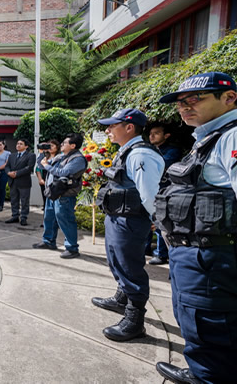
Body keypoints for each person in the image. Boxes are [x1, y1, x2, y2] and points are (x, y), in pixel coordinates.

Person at [153, 72, 237, 384]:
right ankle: (202, 373)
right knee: (197, 324)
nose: (184, 107)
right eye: (181, 103)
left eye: (195, 99)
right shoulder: (210, 137)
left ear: (229, 98)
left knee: (212, 329)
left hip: (213, 256)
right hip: (196, 255)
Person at [91, 109, 165, 342]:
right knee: (117, 261)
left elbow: (150, 194)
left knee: (130, 267)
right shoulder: (128, 151)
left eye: (112, 126)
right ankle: (121, 298)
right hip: (119, 218)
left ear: (129, 127)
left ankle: (134, 321)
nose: (107, 131)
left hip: (130, 220)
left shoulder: (141, 155)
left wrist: (157, 222)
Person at [32, 133, 87, 259]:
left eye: (64, 143)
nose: (61, 144)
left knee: (66, 221)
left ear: (73, 145)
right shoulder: (61, 156)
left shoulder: (77, 159)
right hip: (53, 192)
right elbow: (42, 165)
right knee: (49, 218)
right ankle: (48, 241)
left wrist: (47, 166)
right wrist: (42, 153)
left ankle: (72, 248)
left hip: (65, 194)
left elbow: (64, 173)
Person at [144, 123, 182, 265]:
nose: (152, 136)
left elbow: (160, 165)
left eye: (156, 133)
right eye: (151, 133)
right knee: (147, 220)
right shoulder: (149, 149)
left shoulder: (172, 150)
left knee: (160, 222)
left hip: (164, 191)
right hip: (150, 189)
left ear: (166, 136)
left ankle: (161, 254)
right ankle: (145, 248)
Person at [4, 138, 36, 226]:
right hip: (13, 181)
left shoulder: (31, 155)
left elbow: (29, 168)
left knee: (24, 201)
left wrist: (17, 174)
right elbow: (7, 166)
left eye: (21, 144)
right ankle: (15, 216)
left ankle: (23, 217)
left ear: (26, 146)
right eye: (17, 143)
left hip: (23, 182)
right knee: (14, 200)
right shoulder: (12, 155)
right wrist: (9, 173)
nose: (18, 145)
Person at [35, 140, 60, 227]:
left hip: (55, 182)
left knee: (56, 203)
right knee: (46, 202)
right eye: (49, 146)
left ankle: (56, 222)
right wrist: (41, 152)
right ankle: (47, 221)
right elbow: (39, 166)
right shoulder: (46, 157)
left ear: (57, 147)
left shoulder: (59, 157)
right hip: (46, 181)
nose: (50, 147)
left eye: (52, 146)